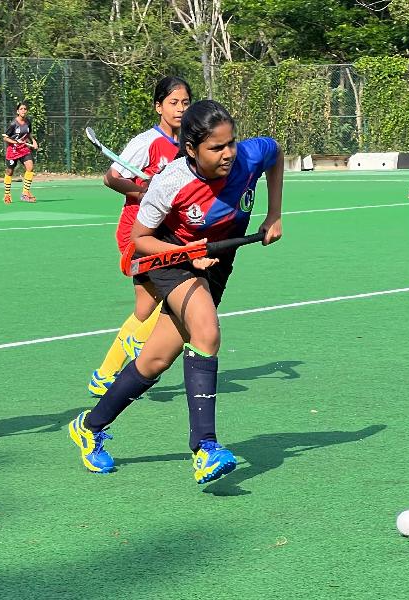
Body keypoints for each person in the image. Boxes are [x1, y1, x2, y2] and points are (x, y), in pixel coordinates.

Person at [69, 100, 283, 485]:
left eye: (230, 143)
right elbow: (140, 239)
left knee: (154, 360)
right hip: (171, 256)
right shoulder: (172, 181)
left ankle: (89, 426)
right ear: (191, 150)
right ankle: (205, 448)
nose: (228, 153)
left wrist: (274, 213)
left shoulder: (249, 156)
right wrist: (188, 254)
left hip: (216, 261)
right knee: (207, 331)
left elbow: (276, 153)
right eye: (216, 148)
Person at [87, 77, 192, 396]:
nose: (180, 109)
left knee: (146, 308)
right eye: (173, 103)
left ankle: (104, 375)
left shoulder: (187, 144)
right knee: (182, 288)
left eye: (185, 103)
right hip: (137, 233)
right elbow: (111, 178)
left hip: (163, 233)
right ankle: (142, 341)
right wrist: (143, 190)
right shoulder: (147, 142)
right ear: (159, 107)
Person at [1, 102, 39, 203]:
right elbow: (5, 138)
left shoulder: (28, 122)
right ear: (18, 111)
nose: (23, 111)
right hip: (13, 150)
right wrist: (15, 142)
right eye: (21, 109)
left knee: (30, 167)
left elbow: (28, 133)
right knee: (9, 172)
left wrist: (34, 141)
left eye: (25, 109)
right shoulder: (13, 124)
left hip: (23, 149)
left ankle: (25, 194)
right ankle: (7, 195)